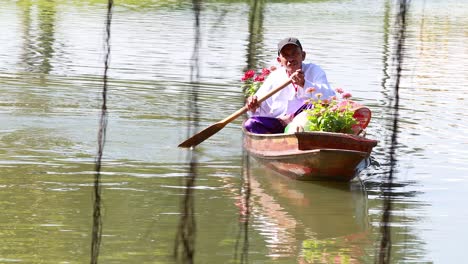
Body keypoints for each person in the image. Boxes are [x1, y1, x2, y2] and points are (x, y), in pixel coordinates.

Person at [244, 37, 336, 134]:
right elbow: (259, 106)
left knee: (316, 105)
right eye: (286, 55)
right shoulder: (274, 76)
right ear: (279, 60)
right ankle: (275, 142)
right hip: (280, 123)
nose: (291, 59)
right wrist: (253, 105)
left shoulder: (315, 70)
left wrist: (303, 84)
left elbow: (329, 97)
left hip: (304, 122)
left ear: (303, 55)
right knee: (251, 124)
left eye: (294, 53)